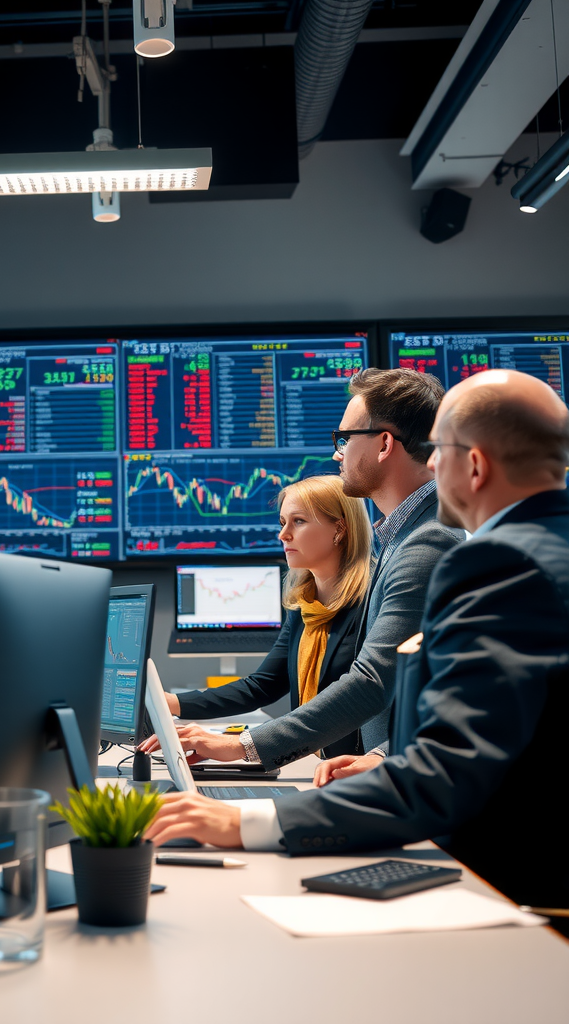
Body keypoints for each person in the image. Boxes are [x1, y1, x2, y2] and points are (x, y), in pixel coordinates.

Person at [146, 368, 569, 917]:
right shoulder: (537, 550)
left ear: (476, 465)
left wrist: (247, 821)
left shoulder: (496, 562)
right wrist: (395, 759)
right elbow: (508, 725)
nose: (433, 463)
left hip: (524, 887)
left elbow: (449, 765)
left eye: (440, 449)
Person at [144, 368, 462, 768]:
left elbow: (372, 683)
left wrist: (242, 746)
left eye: (345, 439)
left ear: (384, 444)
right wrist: (384, 754)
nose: (337, 453)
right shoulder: (403, 539)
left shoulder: (426, 543)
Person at [139, 475, 372, 761]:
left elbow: (356, 697)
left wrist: (243, 745)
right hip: (317, 763)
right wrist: (172, 703)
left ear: (340, 528)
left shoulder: (372, 602)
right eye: (282, 522)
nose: (283, 535)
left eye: (298, 521)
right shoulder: (304, 606)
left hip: (359, 767)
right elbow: (263, 686)